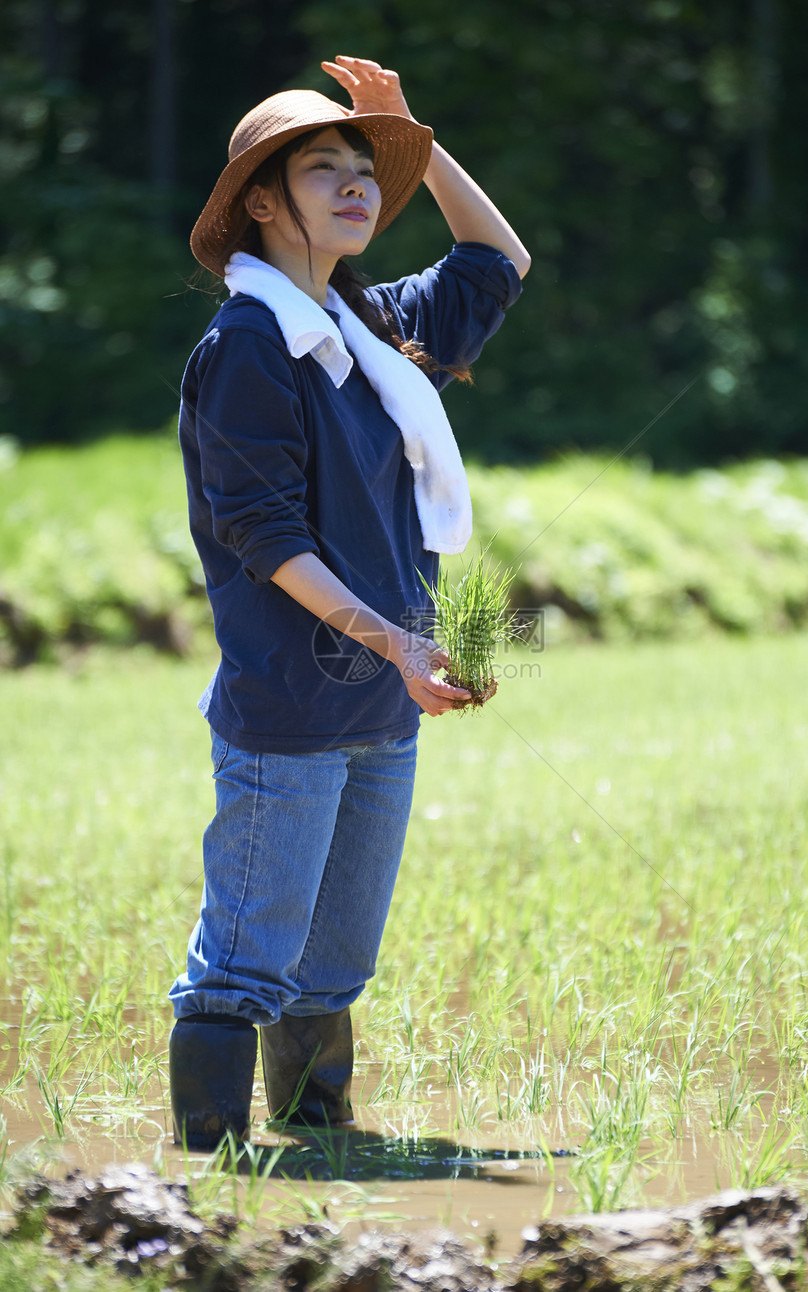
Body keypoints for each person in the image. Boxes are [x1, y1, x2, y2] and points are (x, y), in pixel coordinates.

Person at [168, 55, 529, 1149]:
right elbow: (266, 538)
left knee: (332, 962)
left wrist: (403, 127)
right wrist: (396, 645)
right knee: (245, 957)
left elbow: (495, 257)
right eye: (326, 170)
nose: (358, 184)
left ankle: (319, 1143)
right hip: (291, 706)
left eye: (367, 171)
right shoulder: (247, 349)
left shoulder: (376, 334)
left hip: (378, 707)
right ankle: (198, 1186)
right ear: (262, 205)